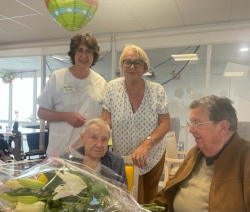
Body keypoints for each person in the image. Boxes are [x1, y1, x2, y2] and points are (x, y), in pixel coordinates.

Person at [151, 95, 250, 212]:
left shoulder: (246, 159)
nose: (190, 130)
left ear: (222, 127)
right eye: (190, 123)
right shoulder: (197, 152)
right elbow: (168, 191)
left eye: (197, 123)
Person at [100, 44, 170, 204]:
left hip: (153, 153)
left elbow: (165, 124)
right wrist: (97, 137)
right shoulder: (112, 88)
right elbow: (106, 120)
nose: (132, 66)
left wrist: (146, 145)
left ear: (145, 67)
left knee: (150, 199)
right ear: (122, 66)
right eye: (127, 62)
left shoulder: (157, 90)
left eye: (137, 63)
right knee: (128, 196)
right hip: (124, 156)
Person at [37, 33, 107, 156]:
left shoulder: (99, 81)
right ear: (73, 53)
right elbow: (41, 112)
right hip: (58, 150)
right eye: (80, 50)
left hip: (87, 152)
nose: (84, 55)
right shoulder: (58, 77)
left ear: (93, 55)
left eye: (89, 51)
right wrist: (66, 116)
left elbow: (108, 116)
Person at [65, 118, 127, 184]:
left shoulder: (116, 162)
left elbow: (122, 192)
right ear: (82, 138)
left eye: (104, 139)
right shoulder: (67, 160)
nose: (99, 145)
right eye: (94, 137)